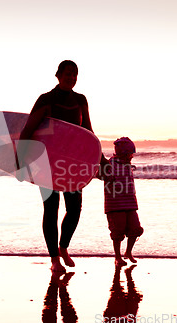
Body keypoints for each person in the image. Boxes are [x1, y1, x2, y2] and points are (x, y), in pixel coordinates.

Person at [18, 60, 105, 272]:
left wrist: (101, 161)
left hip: (72, 164)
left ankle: (63, 247)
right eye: (68, 73)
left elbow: (88, 133)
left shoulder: (80, 100)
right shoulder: (46, 100)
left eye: (75, 74)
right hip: (46, 163)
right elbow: (28, 131)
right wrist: (20, 164)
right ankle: (54, 259)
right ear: (58, 75)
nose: (72, 77)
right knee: (51, 208)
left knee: (74, 209)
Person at [101, 137, 144, 266]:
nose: (132, 156)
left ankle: (128, 252)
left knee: (135, 228)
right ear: (123, 153)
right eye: (130, 153)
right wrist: (106, 176)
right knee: (118, 232)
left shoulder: (128, 165)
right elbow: (99, 174)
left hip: (130, 203)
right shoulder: (111, 163)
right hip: (115, 204)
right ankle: (117, 256)